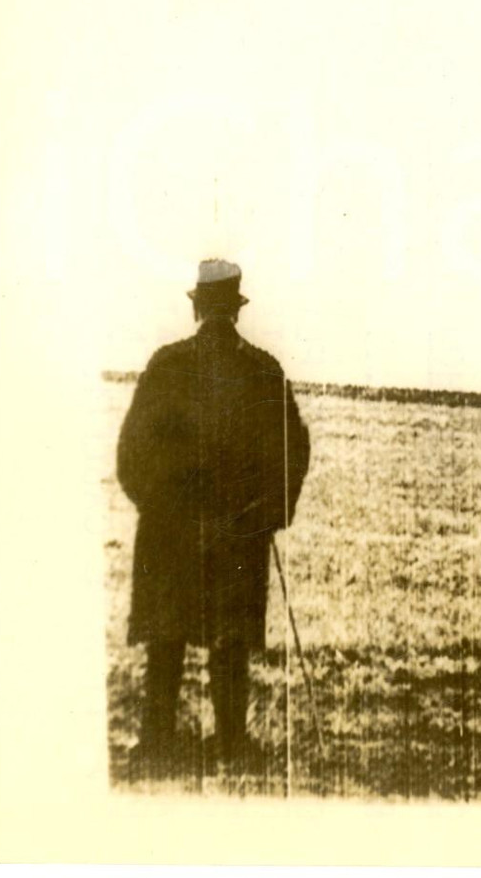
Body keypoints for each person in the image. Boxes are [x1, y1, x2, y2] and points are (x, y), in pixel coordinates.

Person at [117, 260, 309, 778]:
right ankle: (231, 745)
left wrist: (158, 509)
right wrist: (266, 514)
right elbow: (293, 453)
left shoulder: (167, 364)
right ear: (236, 309)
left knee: (166, 637)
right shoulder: (263, 370)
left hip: (168, 532)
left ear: (197, 305)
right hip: (238, 533)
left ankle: (157, 744)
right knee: (230, 641)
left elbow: (131, 453)